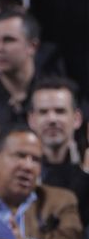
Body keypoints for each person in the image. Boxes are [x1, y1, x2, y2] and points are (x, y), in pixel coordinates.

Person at [27, 76, 89, 225]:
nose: (52, 119)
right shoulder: (18, 169)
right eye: (43, 112)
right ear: (32, 120)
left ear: (77, 119)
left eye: (60, 111)